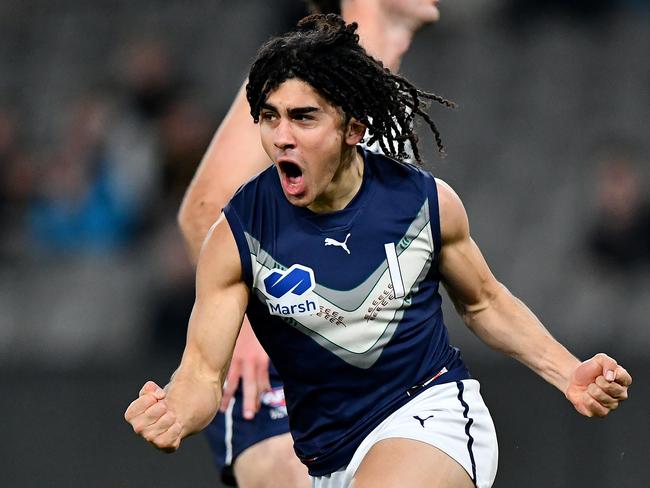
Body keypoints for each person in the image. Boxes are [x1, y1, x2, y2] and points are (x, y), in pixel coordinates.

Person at [126, 15, 632, 488]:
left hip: (431, 416)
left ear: (353, 129)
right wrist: (175, 412)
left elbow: (483, 302)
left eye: (304, 118)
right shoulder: (237, 234)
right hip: (328, 462)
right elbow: (202, 373)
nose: (282, 137)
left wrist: (568, 371)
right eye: (270, 117)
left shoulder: (422, 201)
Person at [177, 1, 445, 486]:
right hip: (284, 356)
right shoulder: (304, 73)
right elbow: (204, 209)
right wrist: (248, 329)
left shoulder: (375, 87)